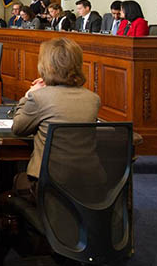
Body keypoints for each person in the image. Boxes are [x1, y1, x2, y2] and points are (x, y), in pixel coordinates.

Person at [10, 38, 101, 204]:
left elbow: (18, 128)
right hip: (87, 185)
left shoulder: (39, 97)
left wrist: (28, 95)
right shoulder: (93, 99)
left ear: (48, 66)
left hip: (48, 186)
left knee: (13, 180)